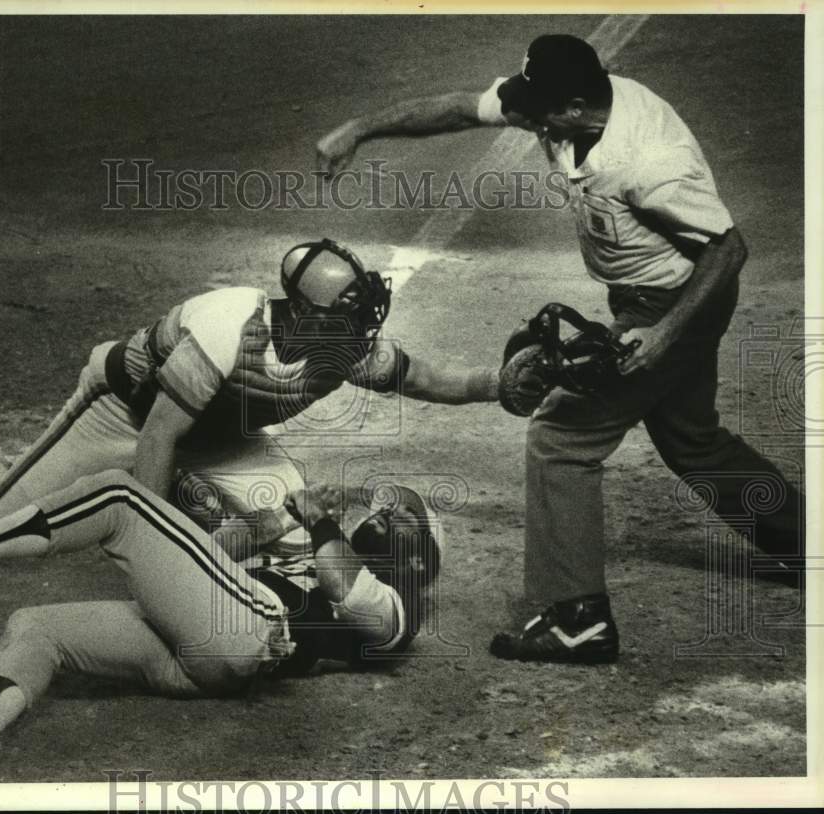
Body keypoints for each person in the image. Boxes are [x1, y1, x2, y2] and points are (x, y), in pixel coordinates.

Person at [316, 34, 804, 663]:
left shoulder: (650, 160)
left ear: (575, 107)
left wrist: (661, 335)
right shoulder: (566, 107)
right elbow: (463, 108)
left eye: (540, 109)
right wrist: (360, 129)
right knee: (693, 439)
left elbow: (728, 250)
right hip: (644, 299)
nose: (526, 117)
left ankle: (580, 618)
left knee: (561, 439)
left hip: (675, 304)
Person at [0, 238, 498, 556]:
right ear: (303, 312)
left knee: (289, 536)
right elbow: (157, 435)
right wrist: (159, 545)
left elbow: (425, 378)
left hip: (225, 439)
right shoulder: (229, 325)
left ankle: (196, 509)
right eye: (345, 317)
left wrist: (500, 385)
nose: (360, 331)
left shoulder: (343, 345)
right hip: (122, 414)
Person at [0, 473, 441, 767]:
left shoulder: (397, 607)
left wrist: (319, 523)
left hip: (251, 632)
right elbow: (214, 551)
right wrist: (278, 519)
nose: (379, 509)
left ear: (411, 550)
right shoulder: (309, 547)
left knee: (119, 494)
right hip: (197, 651)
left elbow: (348, 590)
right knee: (35, 623)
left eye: (394, 513)